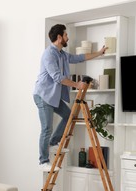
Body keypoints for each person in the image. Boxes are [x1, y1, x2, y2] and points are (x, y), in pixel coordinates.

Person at [33, 24, 107, 171]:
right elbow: (57, 77)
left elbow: (79, 57)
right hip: (43, 95)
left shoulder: (62, 54)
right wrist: (76, 85)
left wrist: (99, 53)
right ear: (59, 37)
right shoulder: (49, 54)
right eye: (66, 35)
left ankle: (54, 143)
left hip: (53, 96)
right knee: (47, 128)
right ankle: (43, 161)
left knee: (69, 116)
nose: (68, 37)